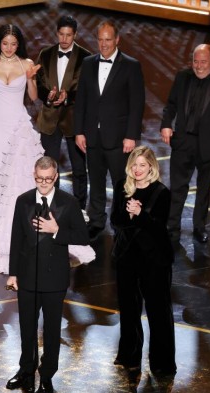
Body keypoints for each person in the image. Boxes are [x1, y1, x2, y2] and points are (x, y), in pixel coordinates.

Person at [0, 25, 94, 273]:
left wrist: (31, 78)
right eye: (5, 43)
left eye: (13, 44)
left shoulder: (26, 64)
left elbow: (33, 97)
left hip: (18, 122)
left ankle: (26, 225)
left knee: (22, 173)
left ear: (19, 44)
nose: (9, 48)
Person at [6, 156, 89, 393]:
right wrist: (13, 273)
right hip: (27, 277)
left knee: (52, 331)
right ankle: (26, 370)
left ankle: (47, 376)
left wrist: (57, 231)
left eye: (48, 179)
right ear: (34, 176)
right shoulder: (23, 201)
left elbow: (83, 236)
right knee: (27, 328)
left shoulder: (68, 202)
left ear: (56, 177)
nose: (43, 183)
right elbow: (16, 239)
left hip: (54, 279)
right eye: (39, 179)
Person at [74, 20, 145, 240]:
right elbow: (81, 100)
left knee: (121, 185)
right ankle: (96, 221)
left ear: (117, 40)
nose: (104, 44)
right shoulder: (88, 63)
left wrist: (131, 136)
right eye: (100, 39)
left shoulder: (131, 65)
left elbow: (137, 104)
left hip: (118, 138)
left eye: (108, 39)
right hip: (92, 137)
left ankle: (120, 223)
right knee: (95, 183)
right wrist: (79, 131)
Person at [161, 44, 210, 243]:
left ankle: (199, 227)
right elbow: (171, 104)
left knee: (203, 190)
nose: (199, 66)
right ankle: (172, 226)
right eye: (196, 61)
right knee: (177, 187)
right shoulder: (182, 77)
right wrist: (166, 124)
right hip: (183, 142)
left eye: (204, 62)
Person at [110, 146, 176, 375]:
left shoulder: (161, 192)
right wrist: (129, 215)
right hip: (127, 257)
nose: (137, 170)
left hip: (154, 260)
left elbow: (159, 229)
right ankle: (130, 356)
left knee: (158, 312)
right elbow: (115, 220)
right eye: (134, 165)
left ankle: (162, 363)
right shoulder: (122, 186)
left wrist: (141, 215)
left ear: (151, 167)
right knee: (128, 309)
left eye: (142, 165)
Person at [36, 15, 91, 212]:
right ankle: (52, 207)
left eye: (69, 35)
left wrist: (68, 98)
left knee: (79, 168)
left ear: (75, 34)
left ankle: (80, 209)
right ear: (57, 33)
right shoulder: (45, 54)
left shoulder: (86, 57)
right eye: (61, 34)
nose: (65, 39)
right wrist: (48, 96)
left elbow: (88, 88)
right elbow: (38, 83)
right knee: (49, 168)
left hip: (75, 120)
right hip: (49, 118)